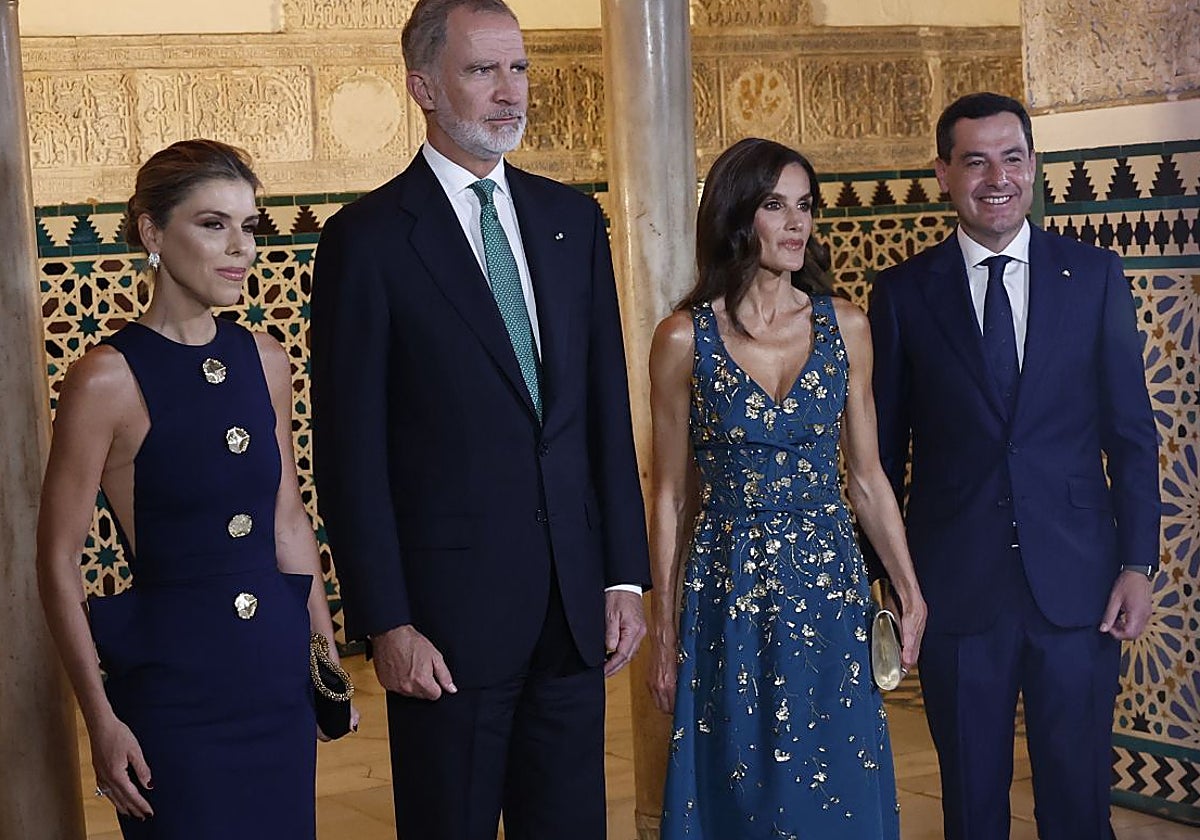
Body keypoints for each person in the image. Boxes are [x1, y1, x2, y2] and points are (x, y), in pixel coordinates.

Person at [307, 1, 651, 838]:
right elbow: (351, 455)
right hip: (446, 626)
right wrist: (386, 620)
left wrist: (623, 576)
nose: (510, 92)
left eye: (520, 68)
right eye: (482, 70)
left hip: (573, 615)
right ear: (423, 86)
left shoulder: (574, 222)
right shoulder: (369, 239)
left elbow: (605, 410)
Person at [36, 139, 350, 839]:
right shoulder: (104, 379)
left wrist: (323, 660)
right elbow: (57, 561)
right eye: (214, 225)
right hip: (172, 689)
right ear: (152, 230)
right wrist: (101, 718)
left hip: (274, 675)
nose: (241, 247)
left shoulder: (265, 359)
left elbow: (288, 520)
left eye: (250, 225)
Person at [868, 92, 1160, 840]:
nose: (996, 178)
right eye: (975, 161)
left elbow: (1131, 433)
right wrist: (891, 582)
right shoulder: (901, 294)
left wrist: (1137, 563)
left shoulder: (1094, 276)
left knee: (1077, 802)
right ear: (942, 173)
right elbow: (877, 456)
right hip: (954, 590)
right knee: (970, 805)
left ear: (1034, 166)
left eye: (1012, 158)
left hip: (1079, 587)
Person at [646, 137, 928, 839]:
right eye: (776, 205)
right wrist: (663, 628)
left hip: (829, 584)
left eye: (805, 206)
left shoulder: (846, 326)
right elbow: (671, 496)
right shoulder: (684, 339)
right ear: (738, 216)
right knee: (738, 779)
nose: (798, 223)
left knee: (836, 772)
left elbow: (866, 478)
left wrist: (908, 587)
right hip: (726, 582)